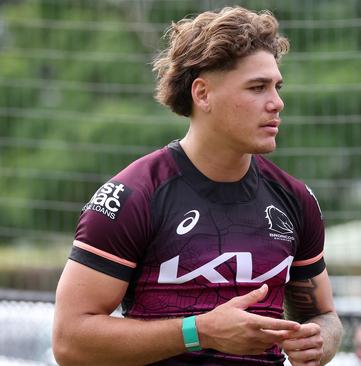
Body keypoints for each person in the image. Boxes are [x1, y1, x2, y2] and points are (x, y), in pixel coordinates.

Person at [52, 6, 342, 366]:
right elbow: (69, 342)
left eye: (277, 87)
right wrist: (200, 331)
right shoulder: (133, 196)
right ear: (202, 94)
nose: (277, 103)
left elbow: (324, 316)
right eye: (257, 87)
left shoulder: (296, 200)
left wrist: (320, 340)